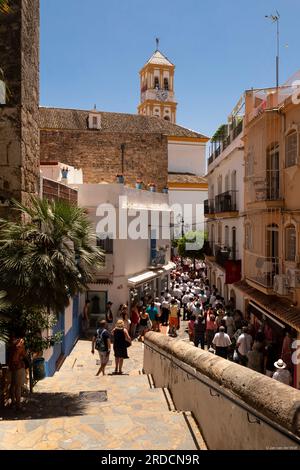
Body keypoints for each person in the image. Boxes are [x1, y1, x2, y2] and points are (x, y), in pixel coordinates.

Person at [8, 331, 26, 410]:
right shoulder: (20, 343)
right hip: (17, 366)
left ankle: (12, 403)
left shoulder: (8, 342)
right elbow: (18, 356)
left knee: (12, 385)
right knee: (18, 387)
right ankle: (18, 406)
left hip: (10, 366)